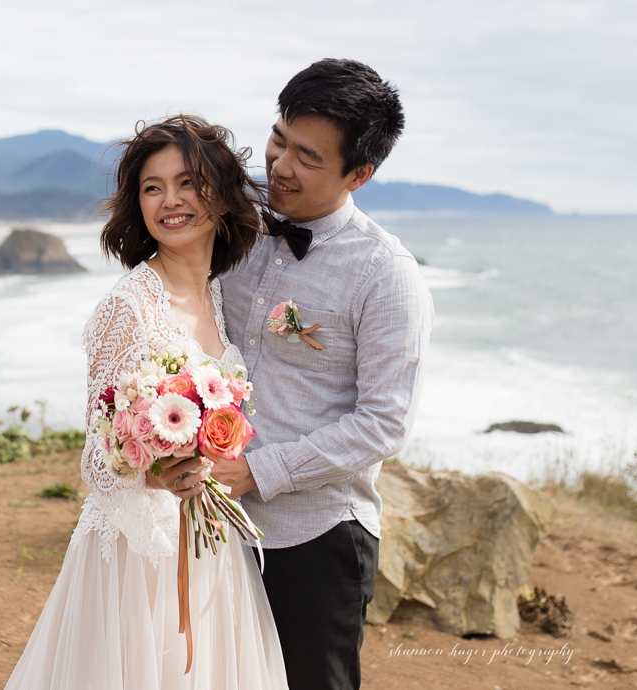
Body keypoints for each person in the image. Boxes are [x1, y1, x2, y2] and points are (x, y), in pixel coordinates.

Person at [4, 115, 288, 689]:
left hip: (212, 541)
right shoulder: (128, 307)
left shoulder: (219, 293)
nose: (170, 201)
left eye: (187, 183)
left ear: (222, 193)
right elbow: (94, 461)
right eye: (152, 187)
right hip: (139, 554)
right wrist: (162, 476)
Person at [205, 58, 435, 690]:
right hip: (214, 521)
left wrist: (259, 470)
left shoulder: (386, 275)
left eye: (308, 157)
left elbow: (385, 422)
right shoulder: (234, 230)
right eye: (279, 138)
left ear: (359, 174)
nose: (279, 165)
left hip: (317, 537)